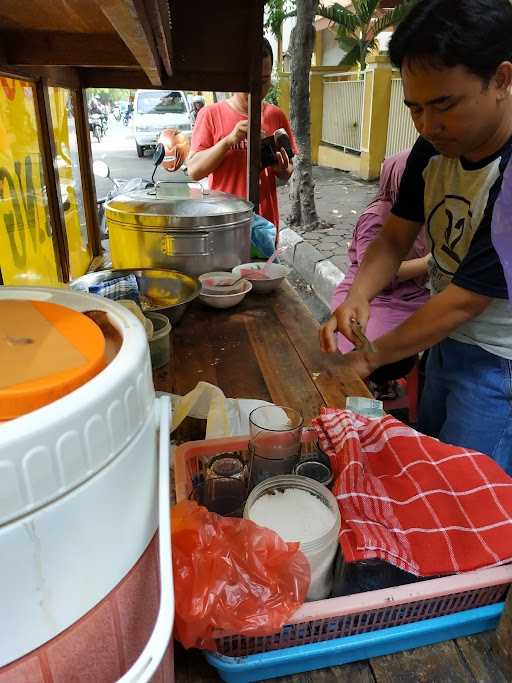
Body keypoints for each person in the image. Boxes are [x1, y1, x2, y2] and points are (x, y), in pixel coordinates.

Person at [319, 0, 512, 473]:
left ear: (502, 80)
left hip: (499, 364)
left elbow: (469, 299)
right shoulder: (432, 147)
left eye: (444, 104)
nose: (427, 125)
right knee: (431, 462)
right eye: (415, 108)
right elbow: (395, 234)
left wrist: (370, 358)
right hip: (446, 339)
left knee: (467, 494)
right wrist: (358, 296)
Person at [331, 151, 431, 399]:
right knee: (373, 342)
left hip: (409, 294)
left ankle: (395, 382)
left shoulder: (426, 215)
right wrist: (429, 263)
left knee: (428, 332)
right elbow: (376, 270)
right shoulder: (377, 216)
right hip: (372, 294)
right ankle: (367, 384)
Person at [187, 38, 296, 232]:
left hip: (265, 226)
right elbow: (194, 171)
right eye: (254, 82)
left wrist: (282, 168)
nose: (260, 88)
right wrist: (229, 141)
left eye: (265, 80)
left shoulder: (276, 115)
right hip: (224, 225)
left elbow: (287, 172)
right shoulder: (211, 114)